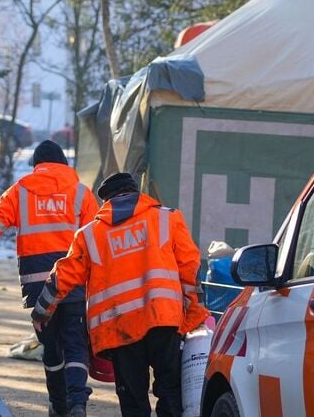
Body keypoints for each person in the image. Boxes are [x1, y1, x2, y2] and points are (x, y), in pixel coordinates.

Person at [31, 172, 210, 417]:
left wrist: (42, 311)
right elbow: (190, 267)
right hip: (163, 319)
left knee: (133, 399)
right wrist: (195, 313)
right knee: (170, 390)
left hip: (119, 327)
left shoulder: (90, 234)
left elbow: (63, 274)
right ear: (136, 193)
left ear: (106, 201)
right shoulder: (167, 218)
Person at [0, 140, 97, 417]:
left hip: (37, 284)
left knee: (51, 348)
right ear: (64, 164)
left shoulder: (21, 191)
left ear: (37, 166)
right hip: (73, 283)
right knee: (76, 344)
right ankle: (78, 403)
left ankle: (58, 405)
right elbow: (95, 239)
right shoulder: (81, 192)